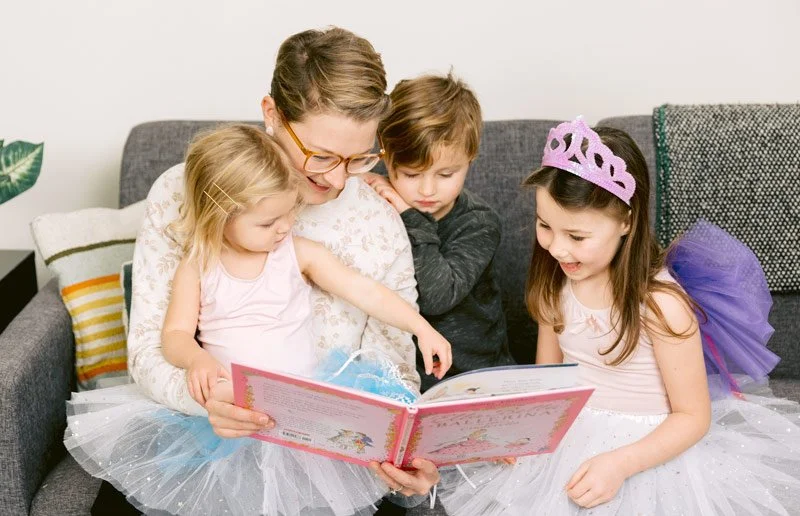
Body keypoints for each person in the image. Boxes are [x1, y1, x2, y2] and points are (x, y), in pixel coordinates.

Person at [108, 27, 441, 513]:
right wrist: (205, 398)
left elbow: (393, 367)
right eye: (321, 155)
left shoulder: (378, 217)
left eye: (357, 159)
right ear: (271, 114)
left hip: (331, 457)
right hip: (218, 437)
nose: (334, 178)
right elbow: (150, 347)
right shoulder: (187, 193)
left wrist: (397, 449)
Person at [439, 117, 800, 514]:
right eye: (545, 226)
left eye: (577, 236)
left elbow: (693, 417)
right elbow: (547, 384)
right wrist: (523, 437)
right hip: (569, 438)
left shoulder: (662, 306)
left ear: (626, 221)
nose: (557, 249)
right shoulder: (555, 284)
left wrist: (620, 464)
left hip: (645, 451)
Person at [363, 73, 514, 391]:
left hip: (474, 375)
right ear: (386, 159)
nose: (428, 189)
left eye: (446, 174)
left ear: (470, 159)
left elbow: (436, 296)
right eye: (411, 174)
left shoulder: (479, 224)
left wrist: (409, 216)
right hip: (404, 373)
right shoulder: (375, 194)